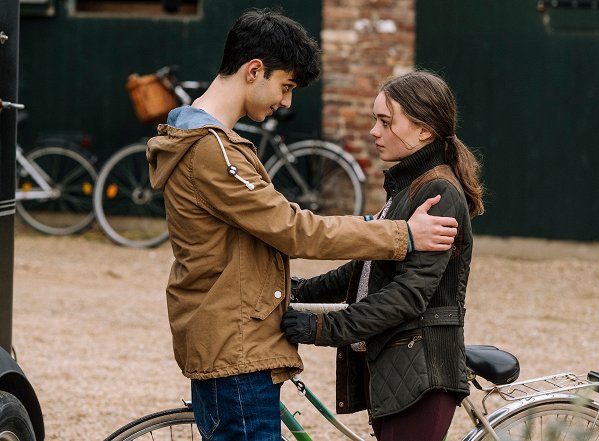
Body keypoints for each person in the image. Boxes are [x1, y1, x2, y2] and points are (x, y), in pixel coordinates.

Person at [146, 9, 460, 441]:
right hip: (235, 346)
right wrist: (402, 234)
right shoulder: (212, 151)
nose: (287, 102)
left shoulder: (209, 143)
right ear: (254, 70)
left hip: (232, 337)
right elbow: (292, 229)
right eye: (286, 86)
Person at [281, 70, 485, 441]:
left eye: (385, 121)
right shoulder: (407, 186)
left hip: (423, 370)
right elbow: (366, 270)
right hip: (395, 361)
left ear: (423, 131)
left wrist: (322, 328)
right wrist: (298, 291)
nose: (374, 131)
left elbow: (409, 295)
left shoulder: (438, 192)